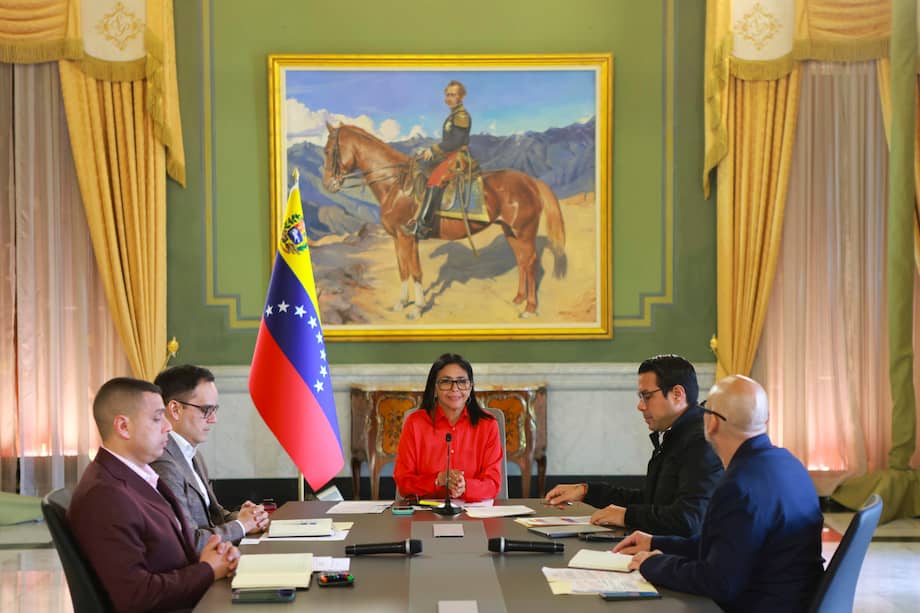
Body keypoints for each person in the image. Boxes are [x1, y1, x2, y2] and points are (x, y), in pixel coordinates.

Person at [613, 375, 824, 612]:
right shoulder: (789, 463)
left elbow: (718, 583)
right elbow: (724, 545)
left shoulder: (738, 486)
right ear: (766, 419)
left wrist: (654, 564)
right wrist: (656, 543)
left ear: (712, 422)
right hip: (793, 601)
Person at [68, 377, 239, 612]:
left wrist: (214, 556)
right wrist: (207, 570)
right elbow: (136, 596)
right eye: (158, 418)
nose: (168, 426)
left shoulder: (138, 475)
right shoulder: (104, 496)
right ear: (123, 427)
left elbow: (169, 552)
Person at [544, 354, 723, 536]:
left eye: (647, 396)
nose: (640, 406)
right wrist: (587, 491)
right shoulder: (676, 434)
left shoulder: (702, 441)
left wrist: (626, 516)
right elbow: (651, 501)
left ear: (677, 394)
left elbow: (689, 519)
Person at [151, 364, 269, 551]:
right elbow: (191, 542)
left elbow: (214, 515)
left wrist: (248, 518)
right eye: (206, 410)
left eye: (215, 410)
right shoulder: (163, 462)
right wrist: (242, 526)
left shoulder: (192, 453)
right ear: (175, 409)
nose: (214, 419)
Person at [394, 353, 502, 501]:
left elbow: (493, 484)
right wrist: (437, 480)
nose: (454, 388)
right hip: (425, 511)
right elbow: (404, 483)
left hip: (474, 511)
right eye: (446, 382)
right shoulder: (415, 423)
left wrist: (466, 487)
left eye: (462, 382)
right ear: (434, 388)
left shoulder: (488, 424)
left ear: (470, 387)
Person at [402, 80, 472, 239]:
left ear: (461, 97)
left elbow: (456, 142)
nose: (448, 98)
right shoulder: (453, 115)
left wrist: (433, 150)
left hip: (458, 157)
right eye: (447, 95)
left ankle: (424, 226)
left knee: (435, 179)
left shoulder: (461, 116)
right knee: (421, 168)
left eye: (453, 95)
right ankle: (417, 213)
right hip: (448, 154)